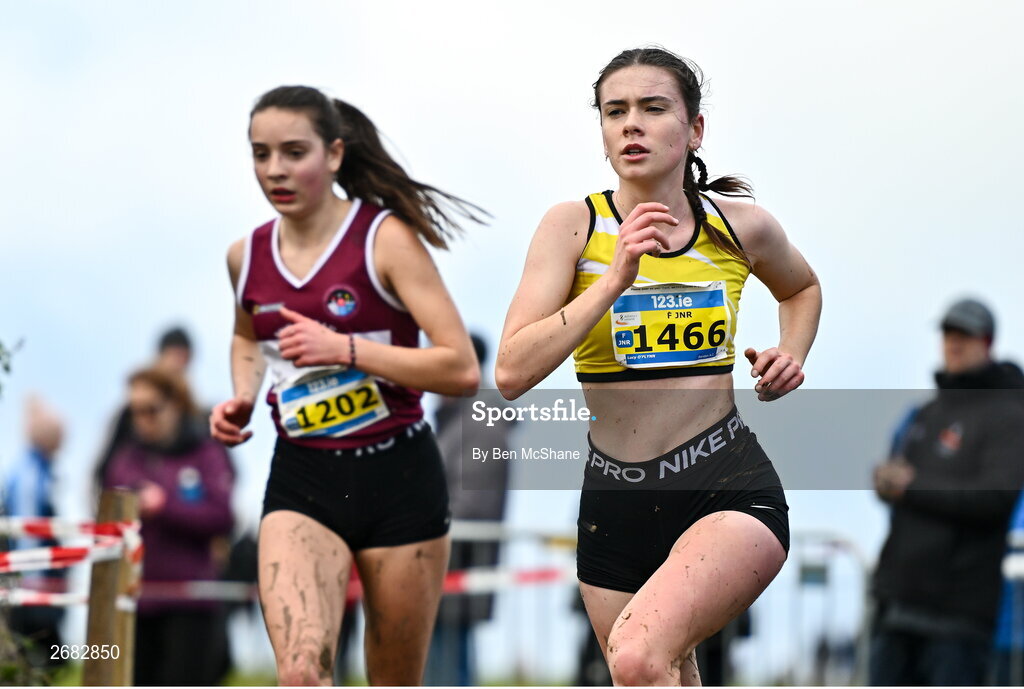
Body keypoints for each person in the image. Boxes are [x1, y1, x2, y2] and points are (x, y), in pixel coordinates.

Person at [496, 47, 821, 685]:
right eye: (615, 112)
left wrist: (792, 352)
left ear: (694, 128)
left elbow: (801, 289)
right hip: (614, 495)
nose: (631, 125)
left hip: (724, 480)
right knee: (658, 670)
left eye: (652, 108)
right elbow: (511, 372)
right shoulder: (573, 226)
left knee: (641, 656)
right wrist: (611, 281)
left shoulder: (739, 228)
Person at [209, 85, 484, 686]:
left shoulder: (384, 239)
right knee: (302, 671)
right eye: (260, 154)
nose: (274, 170)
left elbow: (460, 368)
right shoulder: (245, 256)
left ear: (334, 154)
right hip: (304, 478)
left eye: (292, 151)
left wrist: (348, 350)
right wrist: (242, 396)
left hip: (399, 480)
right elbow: (247, 337)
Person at [870, 298, 1024, 686]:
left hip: (958, 617)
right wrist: (888, 483)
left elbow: (995, 498)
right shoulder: (927, 412)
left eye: (965, 335)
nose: (953, 343)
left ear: (987, 342)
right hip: (899, 604)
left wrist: (912, 487)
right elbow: (898, 481)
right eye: (948, 333)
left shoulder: (1009, 414)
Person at [102, 367, 235, 686]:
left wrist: (165, 506)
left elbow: (222, 516)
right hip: (137, 604)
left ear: (175, 405)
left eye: (152, 410)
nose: (143, 419)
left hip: (192, 606)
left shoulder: (206, 453)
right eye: (135, 411)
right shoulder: (125, 458)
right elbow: (109, 514)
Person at [425, 333, 513, 686]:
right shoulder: (464, 416)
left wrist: (417, 527)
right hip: (449, 563)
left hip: (453, 562)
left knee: (446, 665)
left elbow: (474, 502)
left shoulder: (479, 419)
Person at [2, 396, 67, 670]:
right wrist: (36, 588)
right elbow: (29, 536)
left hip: (29, 585)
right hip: (31, 587)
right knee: (50, 661)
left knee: (44, 660)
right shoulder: (31, 476)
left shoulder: (35, 470)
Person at [93, 326, 199, 495]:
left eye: (183, 358)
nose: (177, 365)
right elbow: (105, 469)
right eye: (172, 356)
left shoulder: (198, 416)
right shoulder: (128, 414)